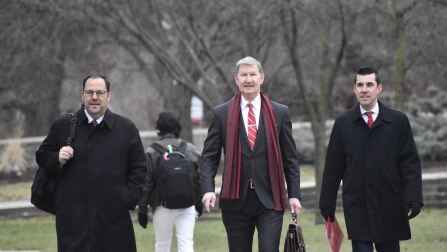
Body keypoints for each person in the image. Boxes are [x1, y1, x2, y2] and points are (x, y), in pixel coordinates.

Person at [200, 56, 302, 252]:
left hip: (270, 199)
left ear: (261, 78)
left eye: (253, 74)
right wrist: (208, 189)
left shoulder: (280, 113)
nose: (249, 79)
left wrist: (294, 195)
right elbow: (209, 157)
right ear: (236, 79)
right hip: (235, 200)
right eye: (244, 75)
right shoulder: (221, 114)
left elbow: (290, 158)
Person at [35, 74, 147, 252]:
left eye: (100, 93)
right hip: (73, 221)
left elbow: (139, 169)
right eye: (90, 92)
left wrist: (126, 198)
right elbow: (42, 156)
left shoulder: (126, 129)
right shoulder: (62, 125)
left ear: (108, 96)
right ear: (82, 95)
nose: (94, 97)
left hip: (113, 219)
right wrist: (56, 157)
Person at [319, 67, 423, 252]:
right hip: (357, 205)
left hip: (390, 204)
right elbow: (333, 168)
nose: (364, 89)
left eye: (369, 84)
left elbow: (410, 163)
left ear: (379, 88)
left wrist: (414, 196)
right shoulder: (343, 123)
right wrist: (327, 204)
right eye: (360, 85)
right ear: (354, 89)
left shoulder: (398, 121)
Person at [137, 111, 203, 252]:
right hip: (187, 205)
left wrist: (142, 210)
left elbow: (147, 185)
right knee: (186, 244)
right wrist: (198, 202)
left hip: (161, 206)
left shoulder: (151, 152)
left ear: (159, 128)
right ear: (178, 127)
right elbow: (198, 180)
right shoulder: (190, 150)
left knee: (162, 245)